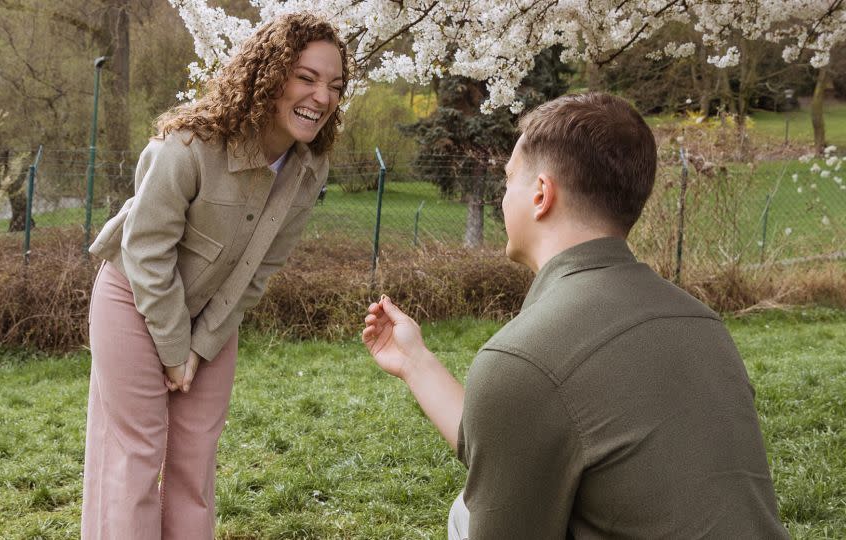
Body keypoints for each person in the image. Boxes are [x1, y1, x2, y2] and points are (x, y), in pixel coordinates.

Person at [362, 93, 789, 539]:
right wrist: (414, 362)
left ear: (541, 195)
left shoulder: (524, 355)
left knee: (465, 515)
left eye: (509, 180)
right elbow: (515, 445)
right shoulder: (702, 323)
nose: (502, 197)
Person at [82, 13, 348, 539]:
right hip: (134, 300)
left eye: (335, 85)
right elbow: (146, 249)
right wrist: (174, 346)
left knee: (194, 463)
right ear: (270, 75)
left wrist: (199, 348)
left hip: (212, 319)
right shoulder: (187, 146)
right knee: (137, 454)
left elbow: (258, 271)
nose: (321, 96)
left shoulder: (309, 169)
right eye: (307, 77)